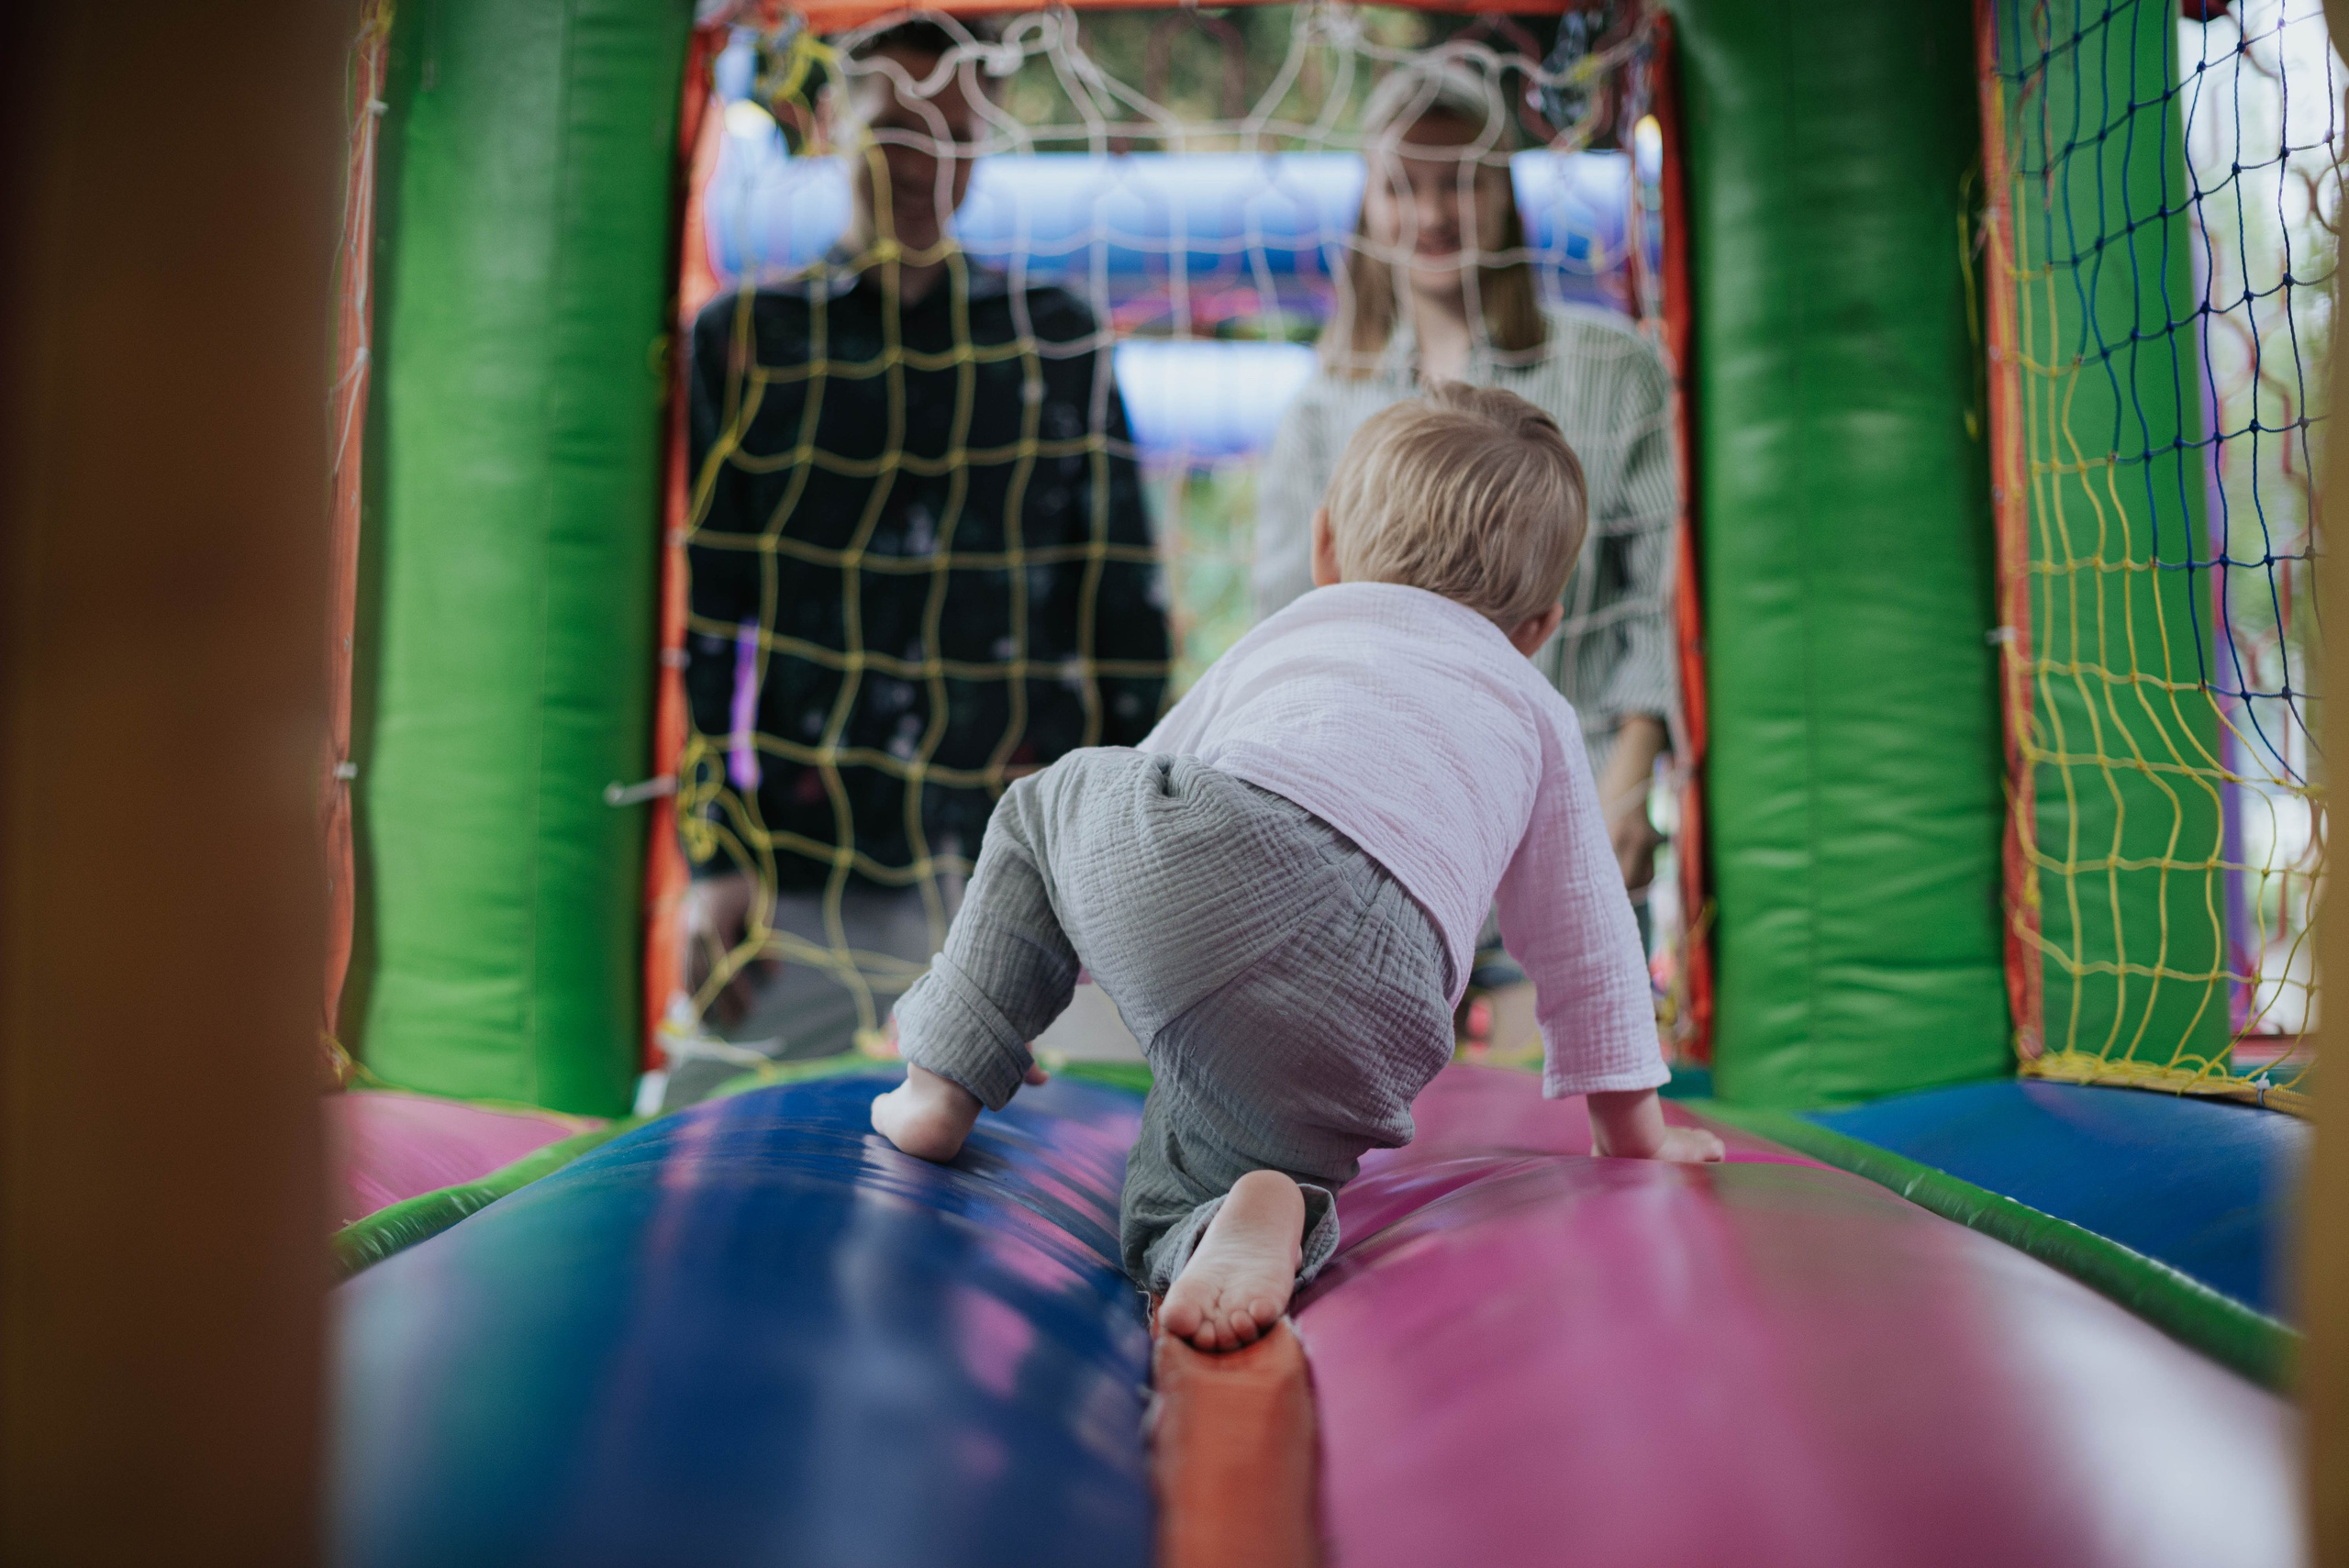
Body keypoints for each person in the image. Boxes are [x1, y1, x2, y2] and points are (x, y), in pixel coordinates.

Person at [872, 384, 1722, 1353]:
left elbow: (1156, 785)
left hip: (1224, 864)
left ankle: (944, 1079)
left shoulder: (1297, 628)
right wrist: (1632, 1133)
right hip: (1386, 1006)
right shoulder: (1536, 711)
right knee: (1173, 1192)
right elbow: (1586, 932)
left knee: (1040, 807)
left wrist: (1015, 985)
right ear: (1538, 627)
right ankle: (1252, 1205)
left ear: (1325, 548)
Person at [674, 19, 1170, 1105]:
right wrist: (712, 858)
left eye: (952, 135)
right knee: (703, 1135)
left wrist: (1125, 857)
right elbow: (710, 619)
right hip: (810, 840)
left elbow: (1125, 608)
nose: (922, 166)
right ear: (830, 122)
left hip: (1020, 845)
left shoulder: (1053, 337)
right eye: (896, 127)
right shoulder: (749, 339)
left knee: (1088, 1155)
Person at [1254, 56, 1677, 899]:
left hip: (1572, 812)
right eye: (1403, 186)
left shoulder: (1612, 368)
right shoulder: (1324, 406)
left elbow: (1661, 591)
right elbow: (1284, 621)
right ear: (1368, 208)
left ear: (1502, 196)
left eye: (1459, 182)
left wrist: (1630, 772)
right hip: (1376, 836)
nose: (1432, 212)